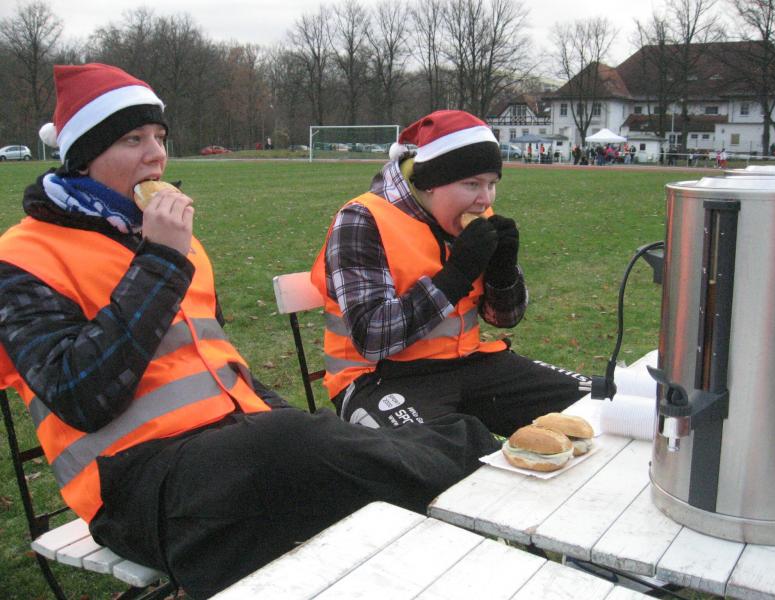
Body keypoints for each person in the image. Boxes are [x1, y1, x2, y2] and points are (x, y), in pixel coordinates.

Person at [0, 65, 499, 599]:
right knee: (297, 446)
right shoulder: (23, 258)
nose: (156, 155)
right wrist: (161, 262)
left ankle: (478, 464)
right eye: (132, 140)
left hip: (237, 450)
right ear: (82, 158)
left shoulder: (177, 244)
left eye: (160, 137)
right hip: (134, 485)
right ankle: (483, 473)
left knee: (331, 466)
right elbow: (80, 394)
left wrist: (289, 422)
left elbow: (218, 363)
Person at [311, 110, 589, 436]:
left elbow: (506, 318)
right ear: (430, 183)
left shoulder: (473, 214)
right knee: (453, 451)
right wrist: (456, 275)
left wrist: (503, 273)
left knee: (597, 400)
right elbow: (373, 337)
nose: (485, 199)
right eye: (471, 184)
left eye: (492, 184)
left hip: (467, 364)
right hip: (376, 378)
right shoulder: (362, 219)